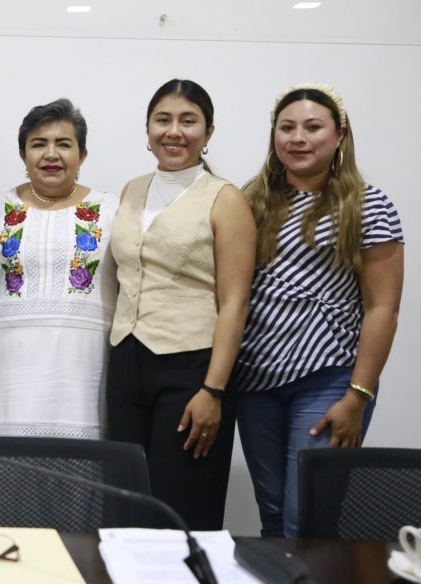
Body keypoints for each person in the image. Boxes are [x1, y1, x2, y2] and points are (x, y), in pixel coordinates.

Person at [235, 82, 404, 538]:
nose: (298, 138)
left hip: (328, 380)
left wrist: (357, 396)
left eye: (312, 127)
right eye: (286, 127)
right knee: (273, 516)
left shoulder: (368, 204)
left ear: (340, 134)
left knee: (307, 519)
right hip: (254, 383)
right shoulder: (250, 201)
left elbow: (383, 309)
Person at [106, 79, 256, 530]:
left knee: (181, 505)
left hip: (192, 367)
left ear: (208, 132)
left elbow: (235, 302)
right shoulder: (131, 190)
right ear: (147, 128)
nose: (174, 132)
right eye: (163, 120)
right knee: (127, 502)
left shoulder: (225, 198)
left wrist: (213, 391)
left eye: (188, 121)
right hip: (127, 361)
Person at [0, 99, 117, 439]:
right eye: (38, 144)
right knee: (10, 462)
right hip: (11, 377)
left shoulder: (113, 210)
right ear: (23, 155)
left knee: (81, 463)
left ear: (82, 155)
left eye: (63, 144)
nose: (51, 154)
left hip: (84, 375)